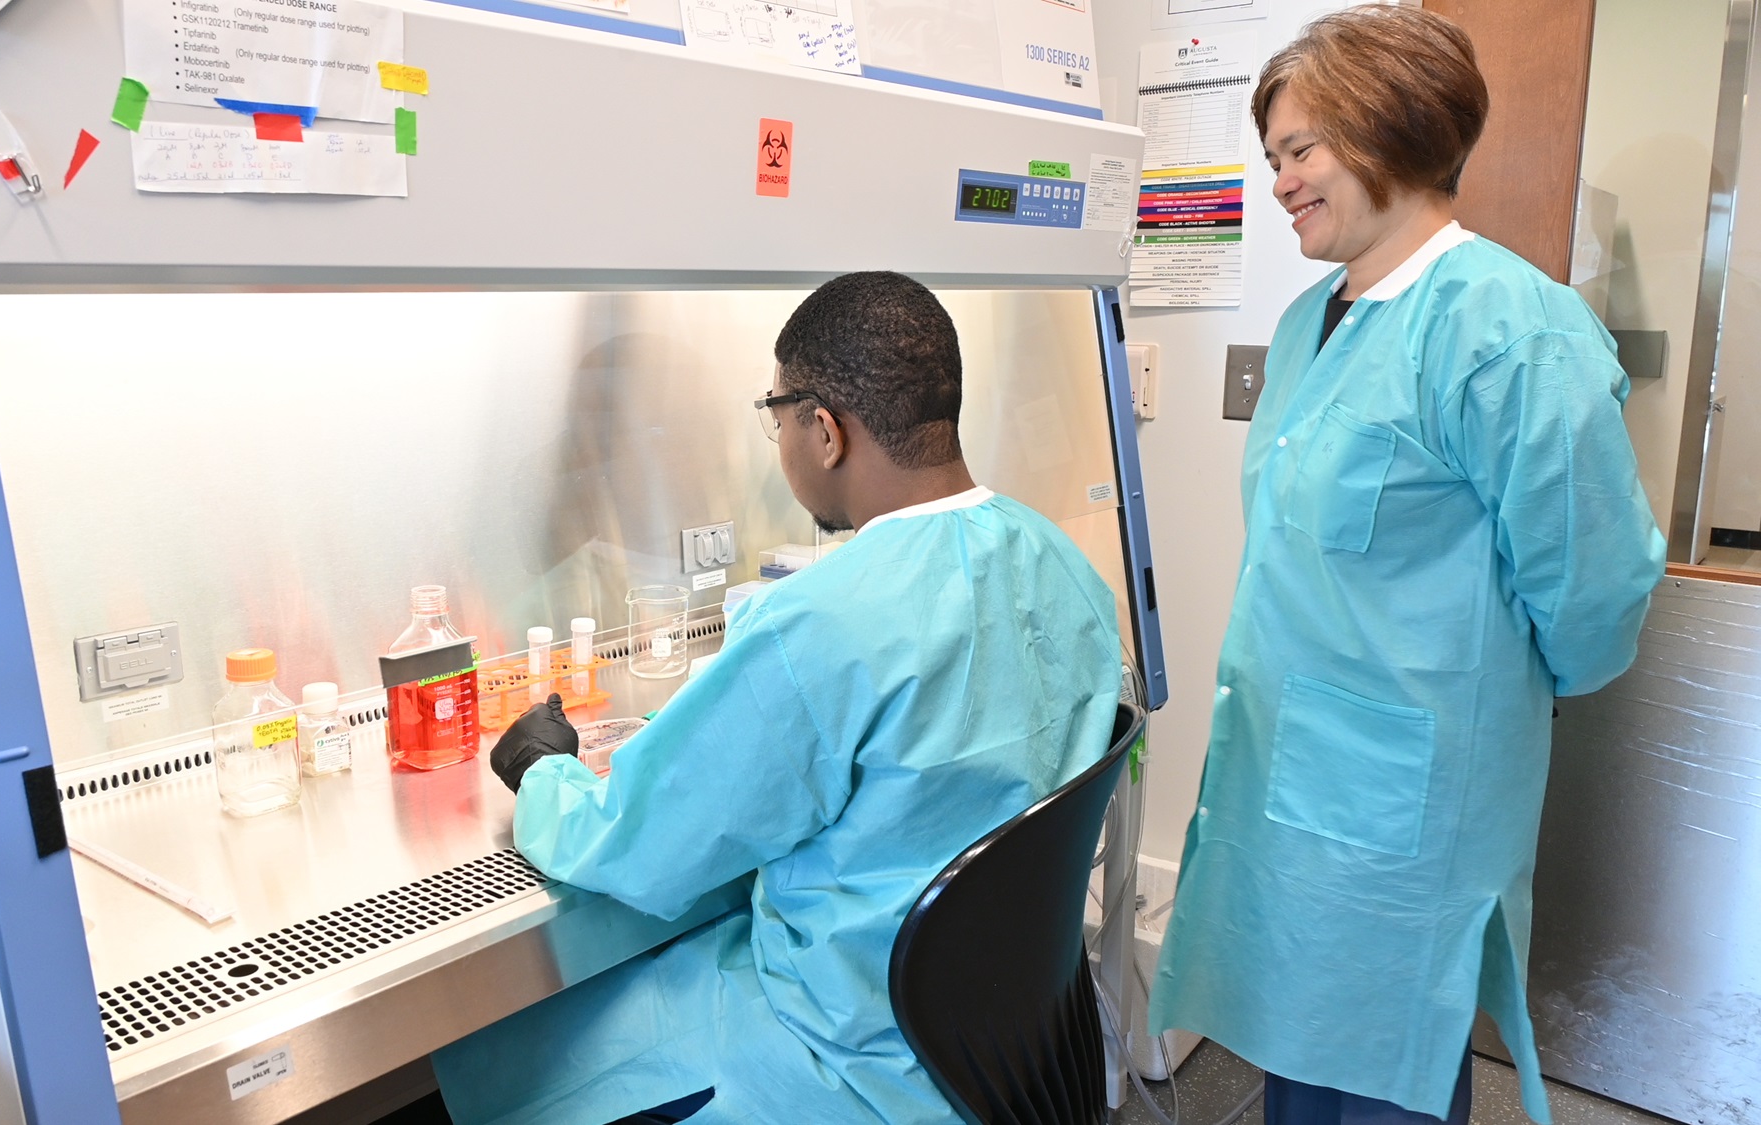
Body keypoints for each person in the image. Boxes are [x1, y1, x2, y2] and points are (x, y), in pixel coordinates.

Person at [429, 271, 1126, 1124]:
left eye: (777, 420)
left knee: (496, 1056)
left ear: (824, 430)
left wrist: (544, 773)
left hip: (845, 1060)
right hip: (1004, 1050)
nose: (780, 444)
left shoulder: (822, 623)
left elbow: (634, 844)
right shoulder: (1065, 564)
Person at [1147, 8, 1666, 1125]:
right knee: (1298, 1048)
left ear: (1387, 129)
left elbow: (1595, 586)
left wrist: (1504, 697)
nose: (1278, 181)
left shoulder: (1507, 331)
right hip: (1284, 773)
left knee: (1384, 1070)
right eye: (1271, 155)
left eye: (1299, 150)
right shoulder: (1304, 325)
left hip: (1409, 794)